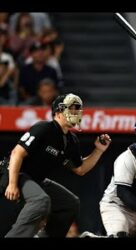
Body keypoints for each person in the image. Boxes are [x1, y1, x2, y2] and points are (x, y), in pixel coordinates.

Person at [1, 93, 111, 237]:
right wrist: (12, 183)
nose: (75, 112)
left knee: (70, 203)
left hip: (35, 179)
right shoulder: (44, 128)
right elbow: (17, 153)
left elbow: (80, 169)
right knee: (41, 200)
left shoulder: (71, 140)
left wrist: (98, 150)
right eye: (71, 109)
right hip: (11, 172)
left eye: (77, 109)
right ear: (58, 112)